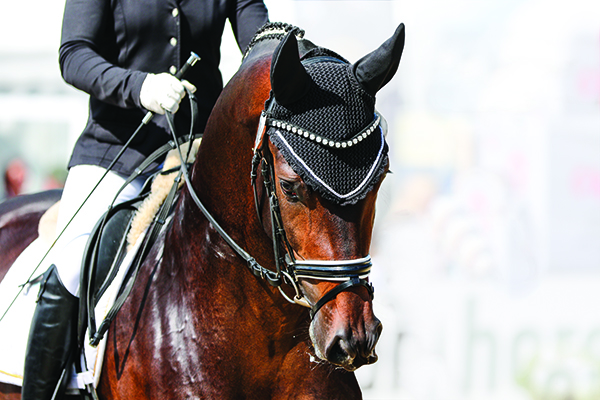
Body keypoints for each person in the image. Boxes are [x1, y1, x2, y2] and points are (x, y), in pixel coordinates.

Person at [21, 0, 269, 398]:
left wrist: (281, 54)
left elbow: (259, 41)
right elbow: (74, 55)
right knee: (72, 260)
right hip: (118, 150)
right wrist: (138, 86)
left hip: (199, 148)